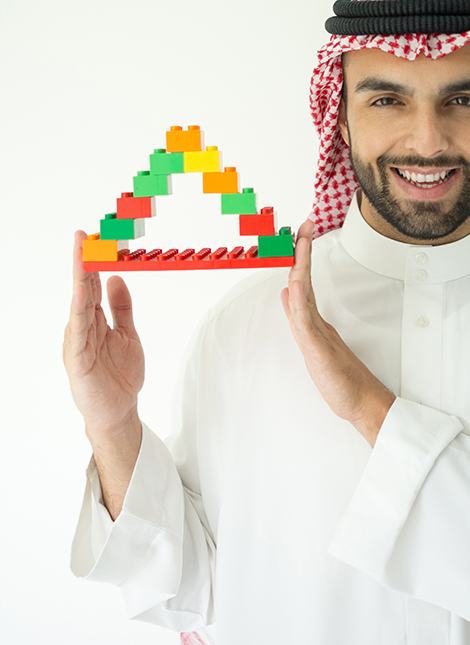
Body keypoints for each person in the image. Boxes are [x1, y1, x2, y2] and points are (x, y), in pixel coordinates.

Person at [64, 1, 470, 643]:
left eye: (463, 100)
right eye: (387, 100)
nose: (427, 140)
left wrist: (367, 405)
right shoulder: (243, 325)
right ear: (340, 116)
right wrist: (113, 428)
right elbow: (189, 598)